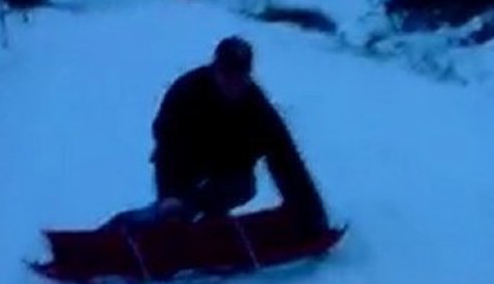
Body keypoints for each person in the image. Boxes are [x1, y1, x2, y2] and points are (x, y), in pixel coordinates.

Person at [104, 36, 329, 232]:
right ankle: (118, 230)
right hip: (184, 164)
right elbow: (168, 146)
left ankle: (211, 225)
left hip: (227, 169)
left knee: (243, 187)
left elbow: (285, 157)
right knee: (173, 213)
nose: (233, 84)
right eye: (227, 75)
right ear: (216, 69)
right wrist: (170, 193)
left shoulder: (257, 107)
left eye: (239, 77)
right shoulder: (187, 92)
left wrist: (310, 211)